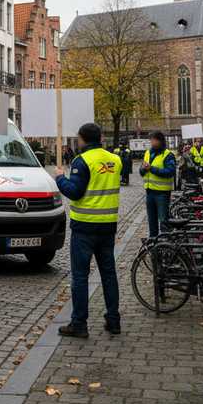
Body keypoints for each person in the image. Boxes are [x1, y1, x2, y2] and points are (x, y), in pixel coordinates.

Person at [55, 123, 122, 338]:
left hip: (85, 226)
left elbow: (74, 192)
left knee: (81, 276)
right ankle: (113, 320)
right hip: (108, 225)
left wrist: (60, 178)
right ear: (100, 137)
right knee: (109, 274)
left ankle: (79, 323)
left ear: (82, 139)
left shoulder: (82, 161)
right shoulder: (115, 159)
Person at [140, 131, 176, 238]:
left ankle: (166, 243)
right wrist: (143, 169)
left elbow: (170, 172)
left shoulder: (167, 155)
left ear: (160, 141)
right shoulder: (147, 153)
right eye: (151, 140)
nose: (152, 142)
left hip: (162, 193)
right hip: (149, 192)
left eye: (154, 140)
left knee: (163, 220)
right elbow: (141, 172)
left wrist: (151, 168)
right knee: (152, 221)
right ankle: (153, 242)